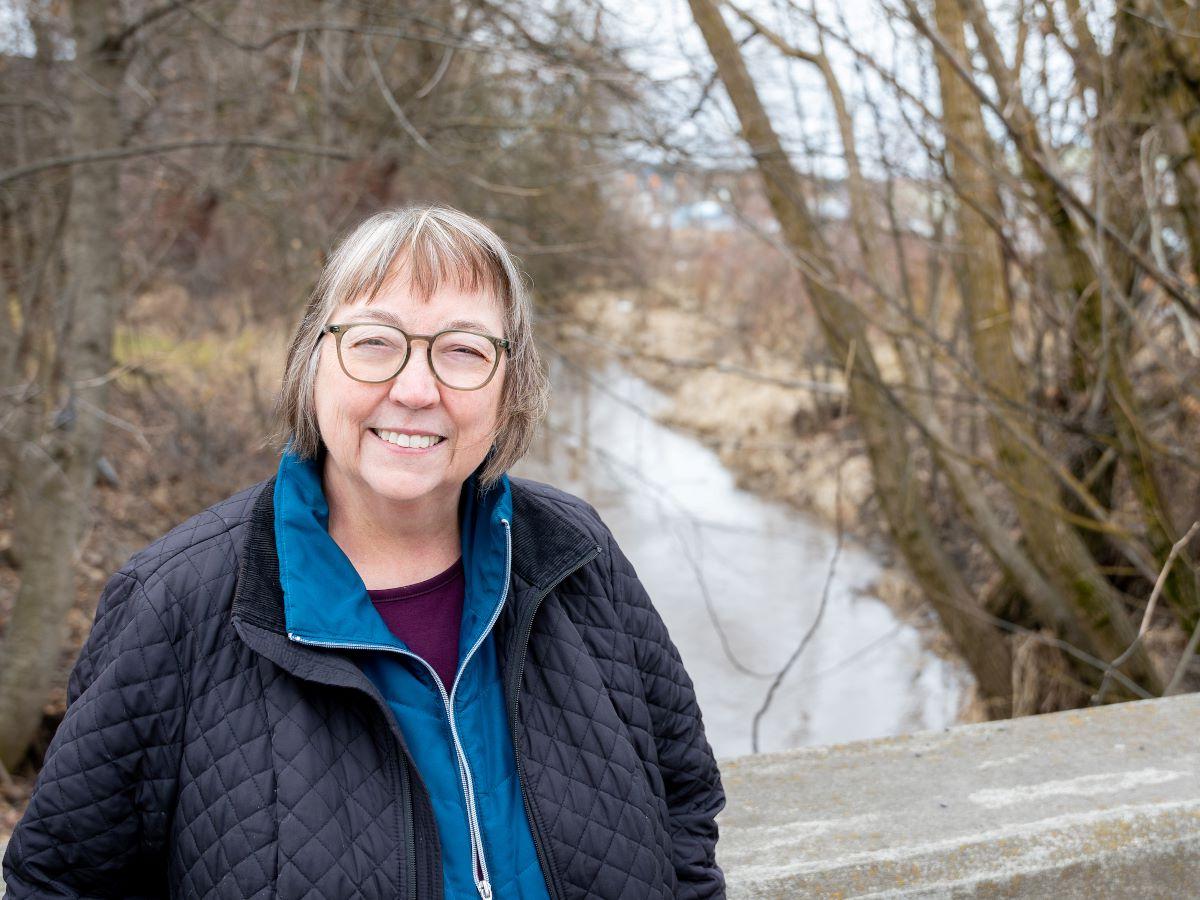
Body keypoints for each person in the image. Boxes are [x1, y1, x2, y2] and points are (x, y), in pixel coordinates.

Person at [3, 205, 725, 899]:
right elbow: (60, 879)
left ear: (512, 386)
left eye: (464, 351)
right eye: (375, 341)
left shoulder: (576, 558)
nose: (415, 389)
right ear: (313, 361)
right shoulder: (176, 603)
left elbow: (684, 807)